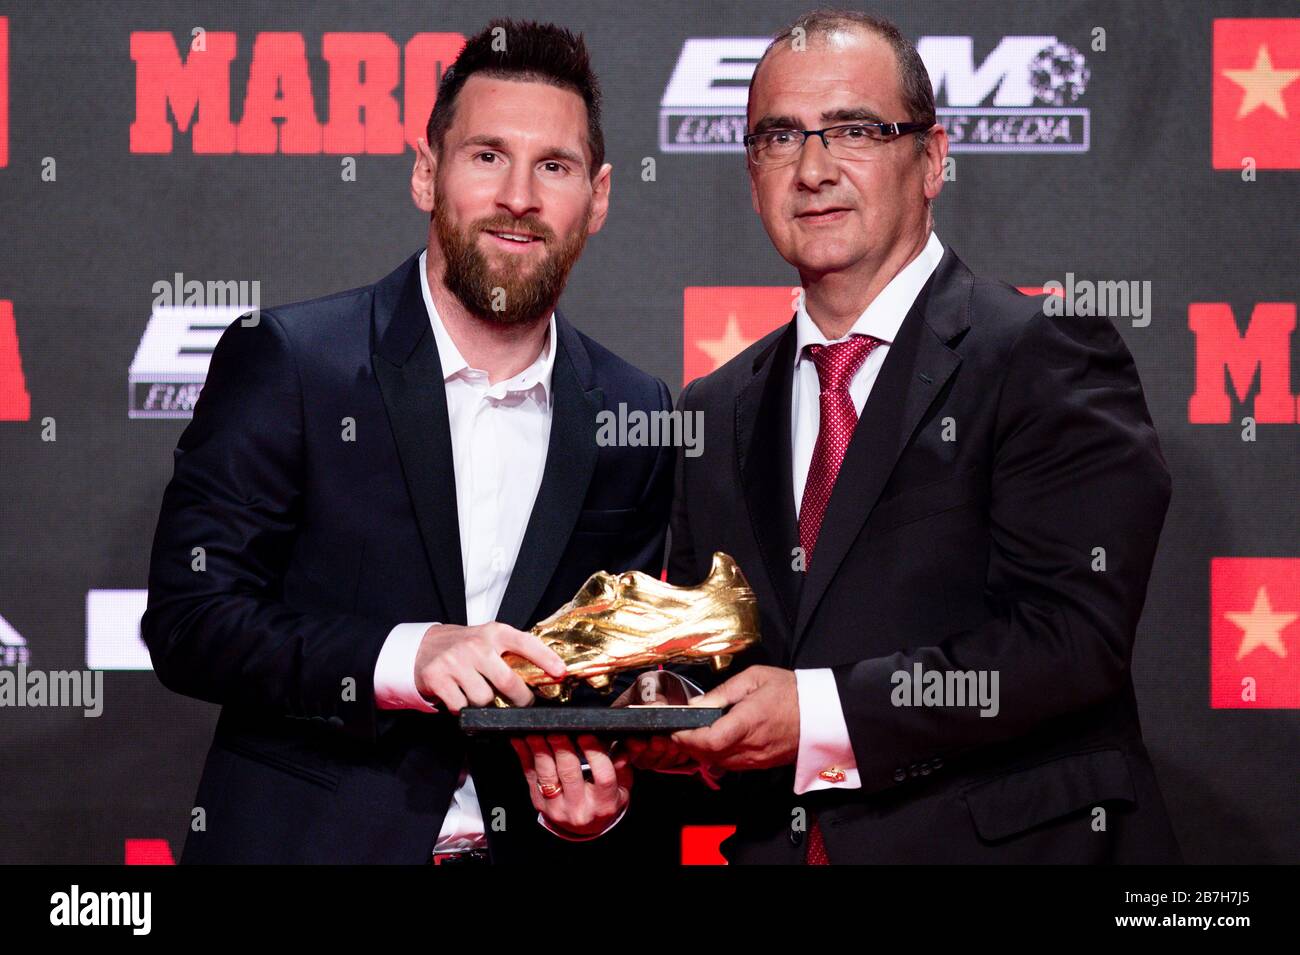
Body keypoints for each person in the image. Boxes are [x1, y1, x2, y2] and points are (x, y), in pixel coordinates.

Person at [640, 9, 1183, 864]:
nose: (813, 169)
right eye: (779, 138)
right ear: (752, 175)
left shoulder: (1044, 353)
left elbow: (1072, 639)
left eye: (854, 129)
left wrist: (818, 713)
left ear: (931, 159)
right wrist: (647, 723)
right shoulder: (712, 410)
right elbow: (725, 667)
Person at [141, 19, 673, 864]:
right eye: (487, 156)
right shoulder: (293, 361)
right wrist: (408, 654)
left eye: (555, 167)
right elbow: (190, 621)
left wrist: (597, 807)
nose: (520, 197)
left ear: (598, 197)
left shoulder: (633, 411)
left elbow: (615, 682)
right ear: (428, 172)